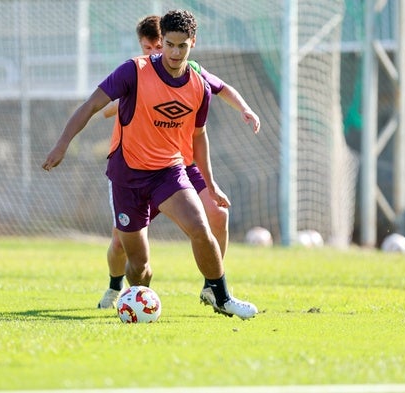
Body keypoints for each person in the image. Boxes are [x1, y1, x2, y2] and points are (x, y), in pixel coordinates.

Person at [43, 9, 257, 320]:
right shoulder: (133, 71)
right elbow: (92, 105)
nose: (174, 52)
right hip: (127, 176)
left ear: (192, 44)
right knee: (140, 267)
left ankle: (219, 294)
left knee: (200, 227)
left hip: (168, 173)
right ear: (162, 41)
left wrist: (210, 184)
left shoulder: (198, 85)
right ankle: (131, 294)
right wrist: (62, 144)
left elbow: (199, 137)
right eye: (169, 44)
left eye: (182, 46)